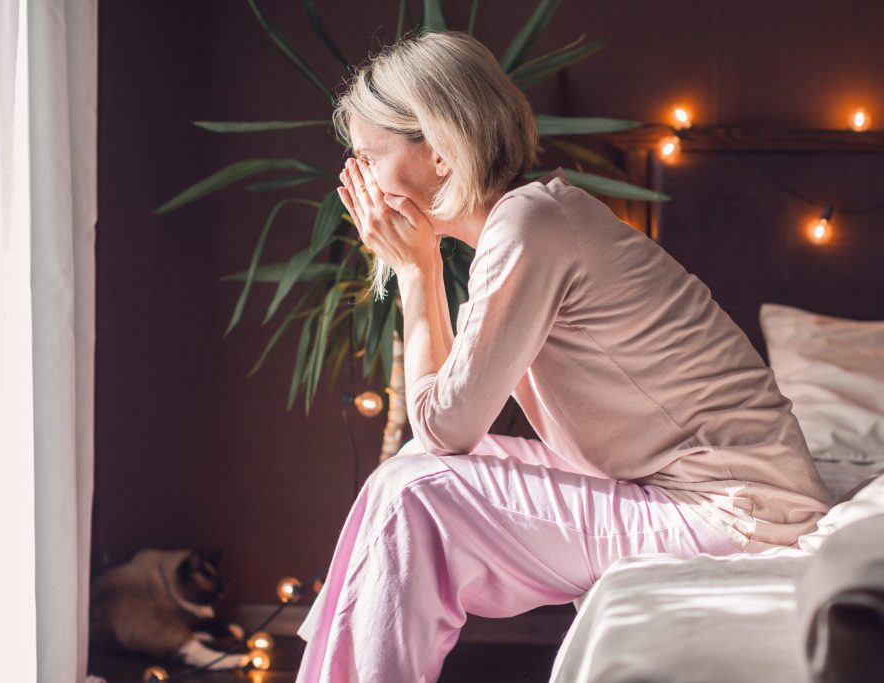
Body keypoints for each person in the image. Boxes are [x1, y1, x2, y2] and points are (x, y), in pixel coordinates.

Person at [294, 29, 831, 683]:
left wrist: (415, 270)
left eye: (367, 158)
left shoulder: (529, 227)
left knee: (416, 490)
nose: (358, 183)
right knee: (410, 468)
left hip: (742, 513)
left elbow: (448, 427)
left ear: (438, 153)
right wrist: (420, 264)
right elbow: (441, 427)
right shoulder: (534, 219)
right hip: (713, 494)